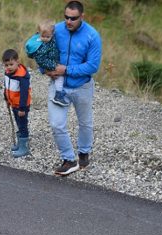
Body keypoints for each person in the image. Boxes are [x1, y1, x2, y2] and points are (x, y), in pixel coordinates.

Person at [45, 1, 102, 176]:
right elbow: (42, 52)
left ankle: (84, 152)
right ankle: (68, 159)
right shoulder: (56, 30)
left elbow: (93, 66)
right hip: (58, 85)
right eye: (66, 17)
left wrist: (67, 69)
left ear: (82, 17)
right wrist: (45, 70)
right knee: (56, 124)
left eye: (73, 18)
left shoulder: (92, 36)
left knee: (85, 123)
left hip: (82, 86)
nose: (69, 21)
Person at [25, 19, 68, 107]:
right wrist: (54, 66)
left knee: (60, 75)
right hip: (48, 64)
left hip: (52, 60)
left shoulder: (52, 38)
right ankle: (58, 95)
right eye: (43, 36)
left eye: (47, 37)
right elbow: (41, 61)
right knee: (60, 76)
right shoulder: (41, 46)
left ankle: (61, 90)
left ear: (52, 34)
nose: (45, 39)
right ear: (38, 33)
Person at [2, 49, 31, 158]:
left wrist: (22, 108)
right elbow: (7, 86)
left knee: (22, 125)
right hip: (13, 103)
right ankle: (20, 144)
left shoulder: (22, 76)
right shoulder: (8, 73)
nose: (8, 67)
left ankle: (24, 147)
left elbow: (24, 93)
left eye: (11, 64)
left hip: (21, 106)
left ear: (17, 62)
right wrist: (6, 97)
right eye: (6, 65)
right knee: (18, 123)